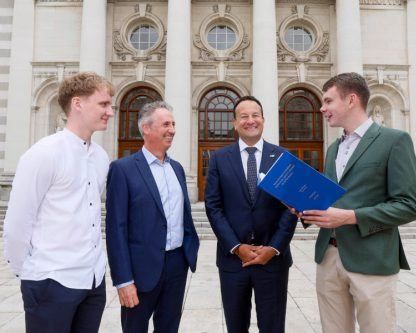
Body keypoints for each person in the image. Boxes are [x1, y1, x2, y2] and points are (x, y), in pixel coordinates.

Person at [300, 72, 416, 333]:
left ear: (351, 99)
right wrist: (303, 206)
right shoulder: (333, 148)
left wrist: (349, 217)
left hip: (371, 259)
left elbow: (408, 205)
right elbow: (332, 201)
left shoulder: (395, 141)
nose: (322, 108)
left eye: (328, 101)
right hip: (328, 257)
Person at [3, 72, 115, 332]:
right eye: (103, 104)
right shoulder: (42, 154)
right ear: (78, 104)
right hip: (50, 282)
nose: (110, 111)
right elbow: (18, 223)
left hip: (92, 282)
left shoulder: (100, 157)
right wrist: (32, 274)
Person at [205, 96, 298, 333]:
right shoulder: (218, 159)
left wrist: (274, 247)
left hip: (273, 261)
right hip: (233, 261)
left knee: (273, 327)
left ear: (264, 120)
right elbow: (213, 208)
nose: (250, 121)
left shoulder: (282, 157)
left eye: (255, 115)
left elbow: (291, 208)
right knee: (236, 327)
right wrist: (237, 246)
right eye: (244, 116)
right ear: (235, 123)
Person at [106, 101, 199, 333]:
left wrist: (189, 251)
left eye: (174, 124)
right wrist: (123, 280)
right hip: (140, 270)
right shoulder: (123, 169)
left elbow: (183, 216)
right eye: (166, 124)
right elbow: (116, 229)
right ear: (146, 128)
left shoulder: (177, 168)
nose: (173, 130)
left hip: (177, 265)